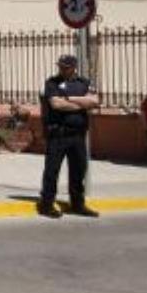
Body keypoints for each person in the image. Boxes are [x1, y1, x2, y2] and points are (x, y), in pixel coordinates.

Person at [38, 54, 101, 218]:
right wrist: (81, 104)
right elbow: (56, 104)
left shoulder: (84, 83)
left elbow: (94, 101)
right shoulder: (52, 83)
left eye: (65, 67)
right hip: (58, 133)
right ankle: (46, 204)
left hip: (78, 135)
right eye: (60, 66)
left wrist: (69, 99)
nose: (62, 69)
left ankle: (77, 204)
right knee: (52, 171)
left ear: (73, 67)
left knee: (79, 170)